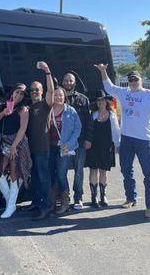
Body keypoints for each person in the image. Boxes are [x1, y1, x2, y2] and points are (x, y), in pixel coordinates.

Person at [94, 65, 150, 219]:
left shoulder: (149, 95)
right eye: (131, 80)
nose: (133, 82)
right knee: (126, 169)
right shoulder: (124, 93)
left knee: (148, 173)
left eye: (136, 80)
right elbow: (109, 87)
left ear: (141, 80)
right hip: (126, 138)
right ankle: (131, 198)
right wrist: (103, 71)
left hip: (144, 140)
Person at [0, 83, 31, 218]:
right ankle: (10, 202)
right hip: (3, 142)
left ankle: (11, 206)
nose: (19, 95)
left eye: (22, 94)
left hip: (17, 143)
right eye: (17, 92)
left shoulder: (23, 109)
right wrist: (3, 113)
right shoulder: (3, 106)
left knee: (15, 174)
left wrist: (14, 146)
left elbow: (22, 129)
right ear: (12, 92)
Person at [23, 61, 55, 220]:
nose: (34, 92)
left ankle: (46, 208)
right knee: (35, 178)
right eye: (32, 90)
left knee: (44, 179)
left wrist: (47, 71)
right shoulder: (29, 108)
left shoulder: (45, 105)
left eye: (37, 89)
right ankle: (36, 203)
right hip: (32, 149)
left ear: (42, 91)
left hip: (43, 149)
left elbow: (51, 90)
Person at [62, 71, 93, 210]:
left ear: (74, 82)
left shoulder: (83, 99)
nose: (68, 83)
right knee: (61, 171)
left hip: (79, 142)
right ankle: (64, 197)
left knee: (79, 171)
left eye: (70, 80)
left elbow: (88, 121)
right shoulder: (59, 97)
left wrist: (88, 139)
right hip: (63, 142)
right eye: (66, 80)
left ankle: (78, 197)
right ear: (62, 82)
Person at [49, 87, 82, 214]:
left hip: (65, 148)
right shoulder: (49, 110)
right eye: (56, 95)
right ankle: (52, 202)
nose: (58, 97)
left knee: (61, 174)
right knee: (52, 174)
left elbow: (78, 129)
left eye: (61, 95)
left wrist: (69, 144)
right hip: (51, 147)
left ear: (64, 96)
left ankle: (65, 203)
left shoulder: (71, 111)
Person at [85, 90, 120, 208]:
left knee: (103, 171)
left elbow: (116, 131)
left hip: (107, 147)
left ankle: (103, 196)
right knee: (93, 170)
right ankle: (93, 197)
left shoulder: (112, 115)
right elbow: (89, 130)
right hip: (93, 147)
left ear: (106, 101)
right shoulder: (93, 115)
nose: (100, 102)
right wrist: (87, 141)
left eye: (102, 100)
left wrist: (117, 145)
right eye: (98, 100)